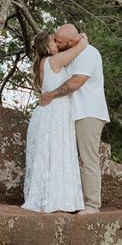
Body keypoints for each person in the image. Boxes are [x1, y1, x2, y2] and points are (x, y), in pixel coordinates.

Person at [21, 28, 90, 213]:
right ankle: (57, 199)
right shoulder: (54, 60)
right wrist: (81, 37)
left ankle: (52, 197)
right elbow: (80, 48)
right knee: (58, 153)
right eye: (53, 41)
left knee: (51, 154)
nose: (56, 44)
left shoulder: (43, 63)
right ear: (46, 46)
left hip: (48, 112)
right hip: (56, 112)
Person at [46, 22, 108, 210]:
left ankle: (92, 205)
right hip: (70, 113)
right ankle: (70, 201)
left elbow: (76, 82)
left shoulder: (89, 53)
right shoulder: (72, 53)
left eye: (59, 41)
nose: (56, 42)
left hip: (88, 112)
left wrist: (51, 95)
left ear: (72, 42)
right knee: (67, 157)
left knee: (88, 159)